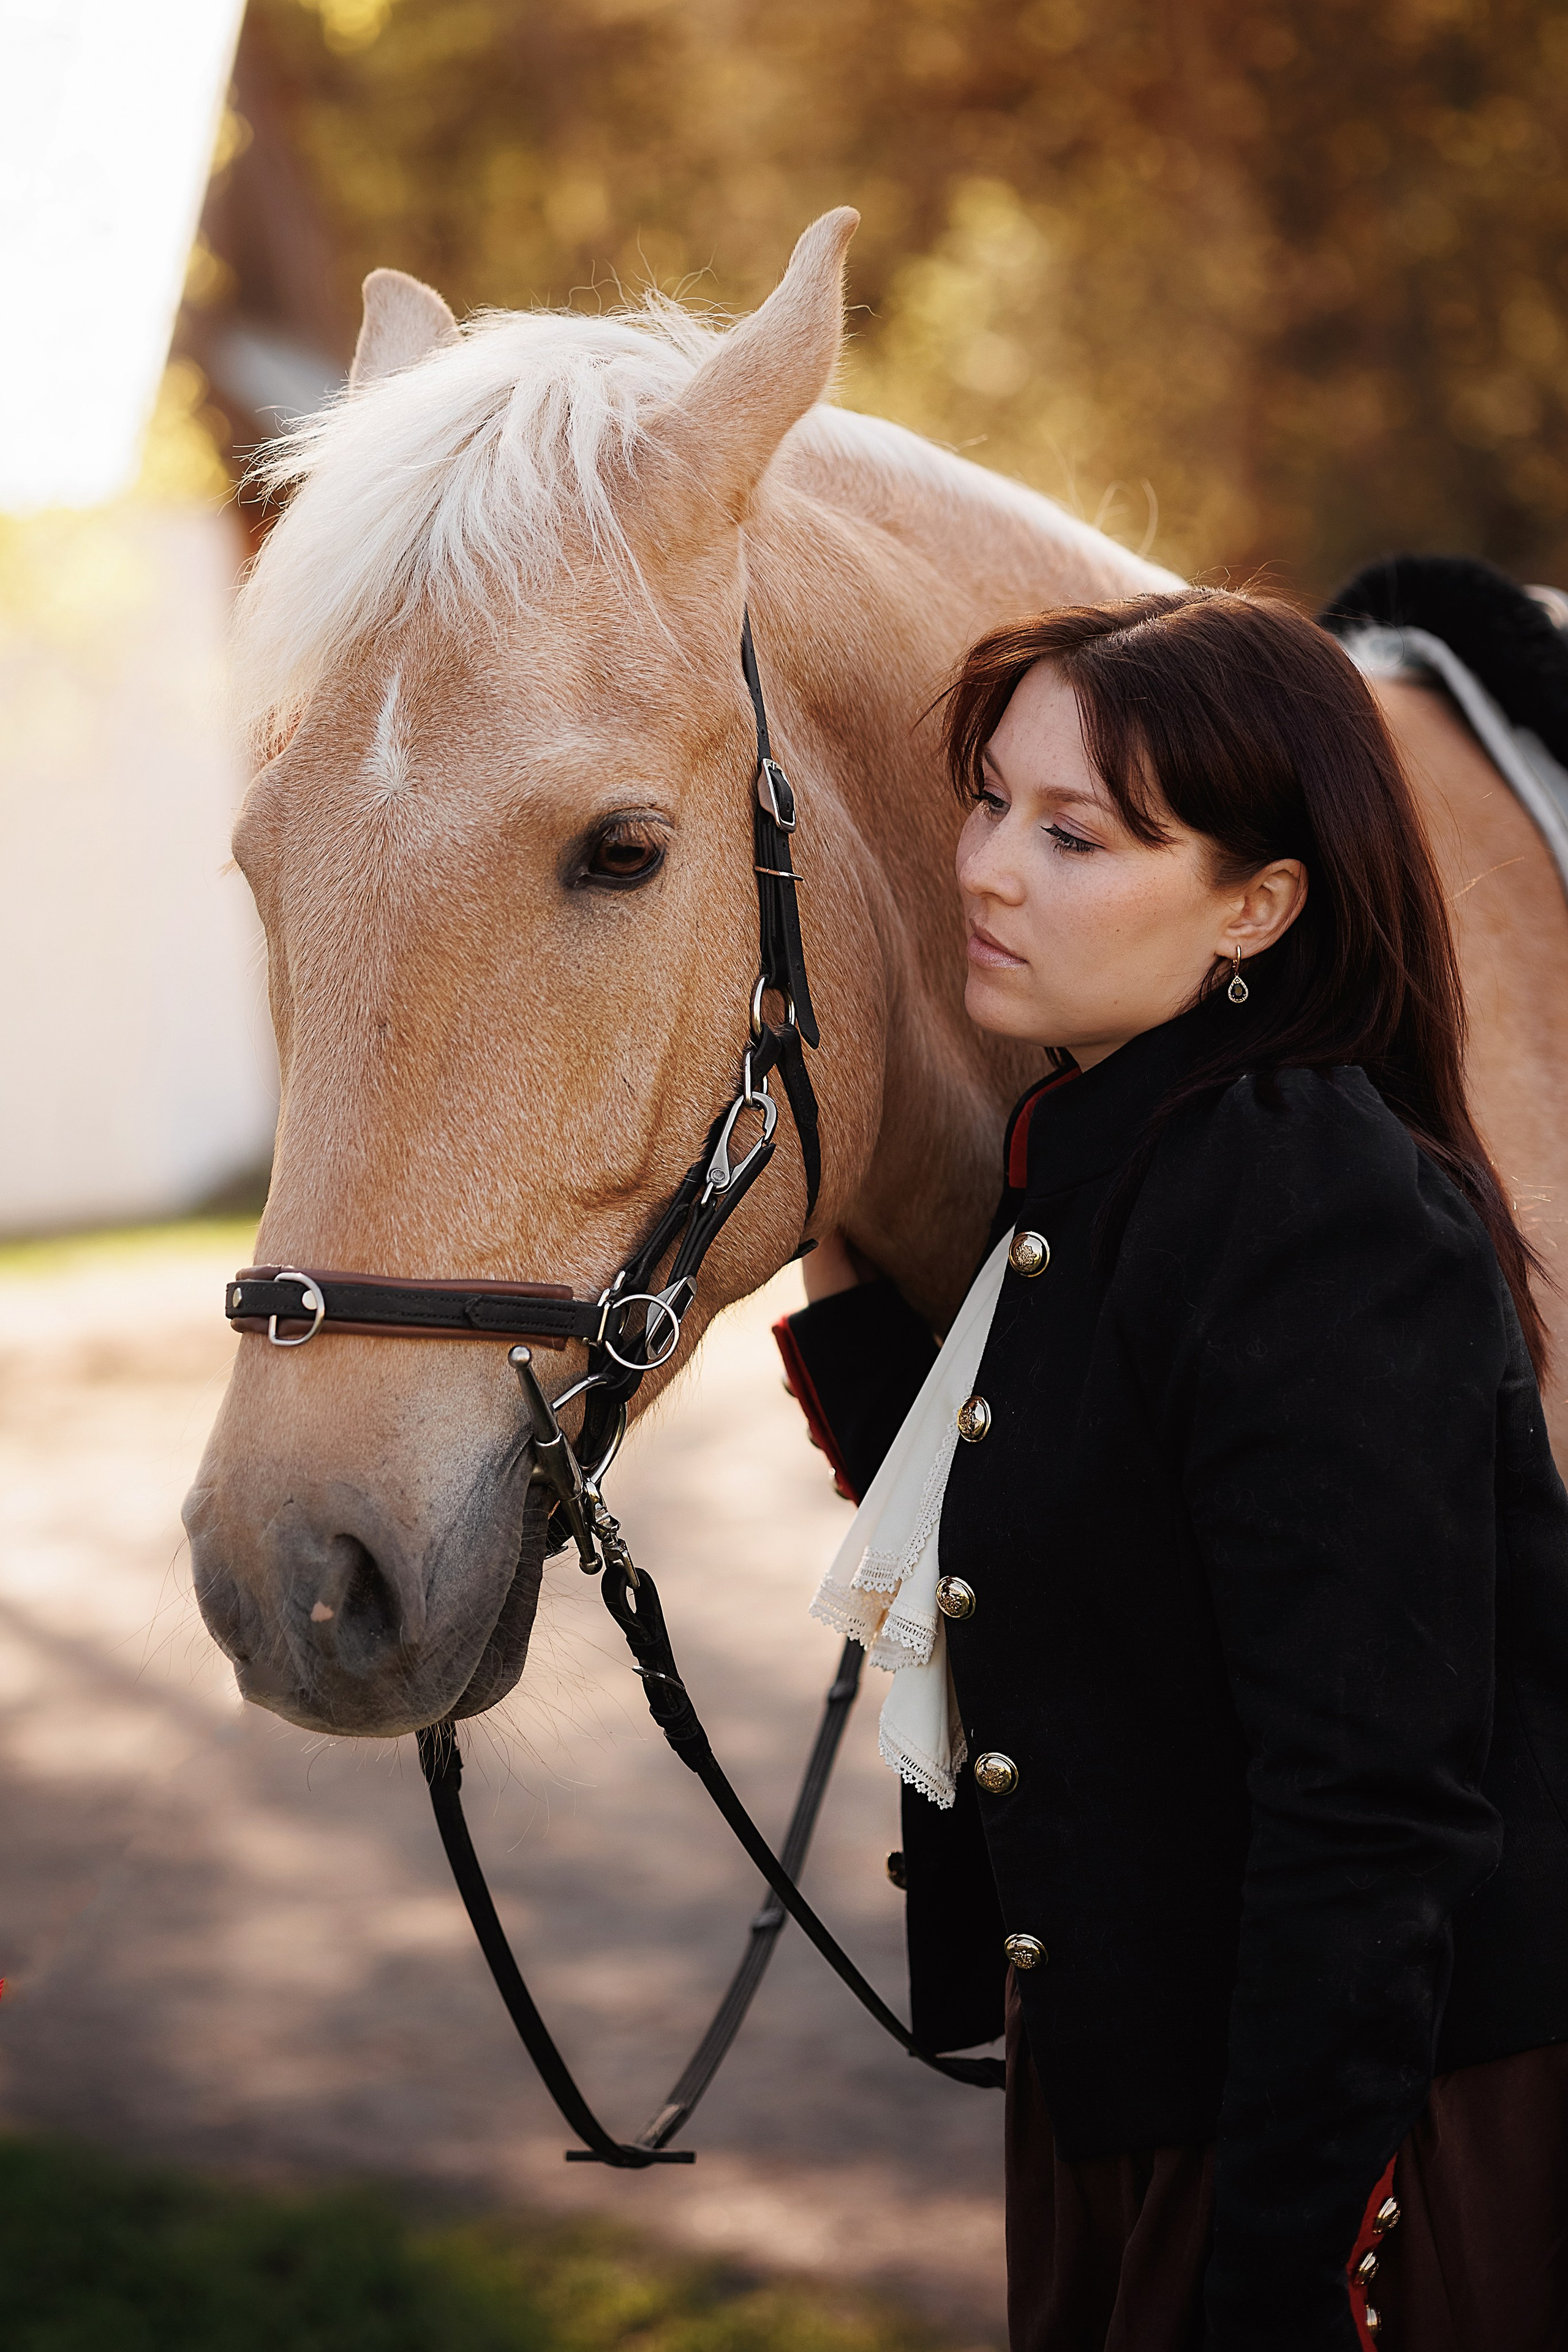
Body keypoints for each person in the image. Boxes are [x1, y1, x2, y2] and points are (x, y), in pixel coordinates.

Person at [773, 590, 1568, 2352]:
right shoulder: (1120, 1158)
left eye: (1077, 835)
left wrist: (1280, 2262)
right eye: (991, 802)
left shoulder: (1307, 1201)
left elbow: (1375, 1810)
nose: (986, 867)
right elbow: (1056, 1533)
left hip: (1343, 2134)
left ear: (1257, 905)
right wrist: (839, 1222)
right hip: (1140, 2107)